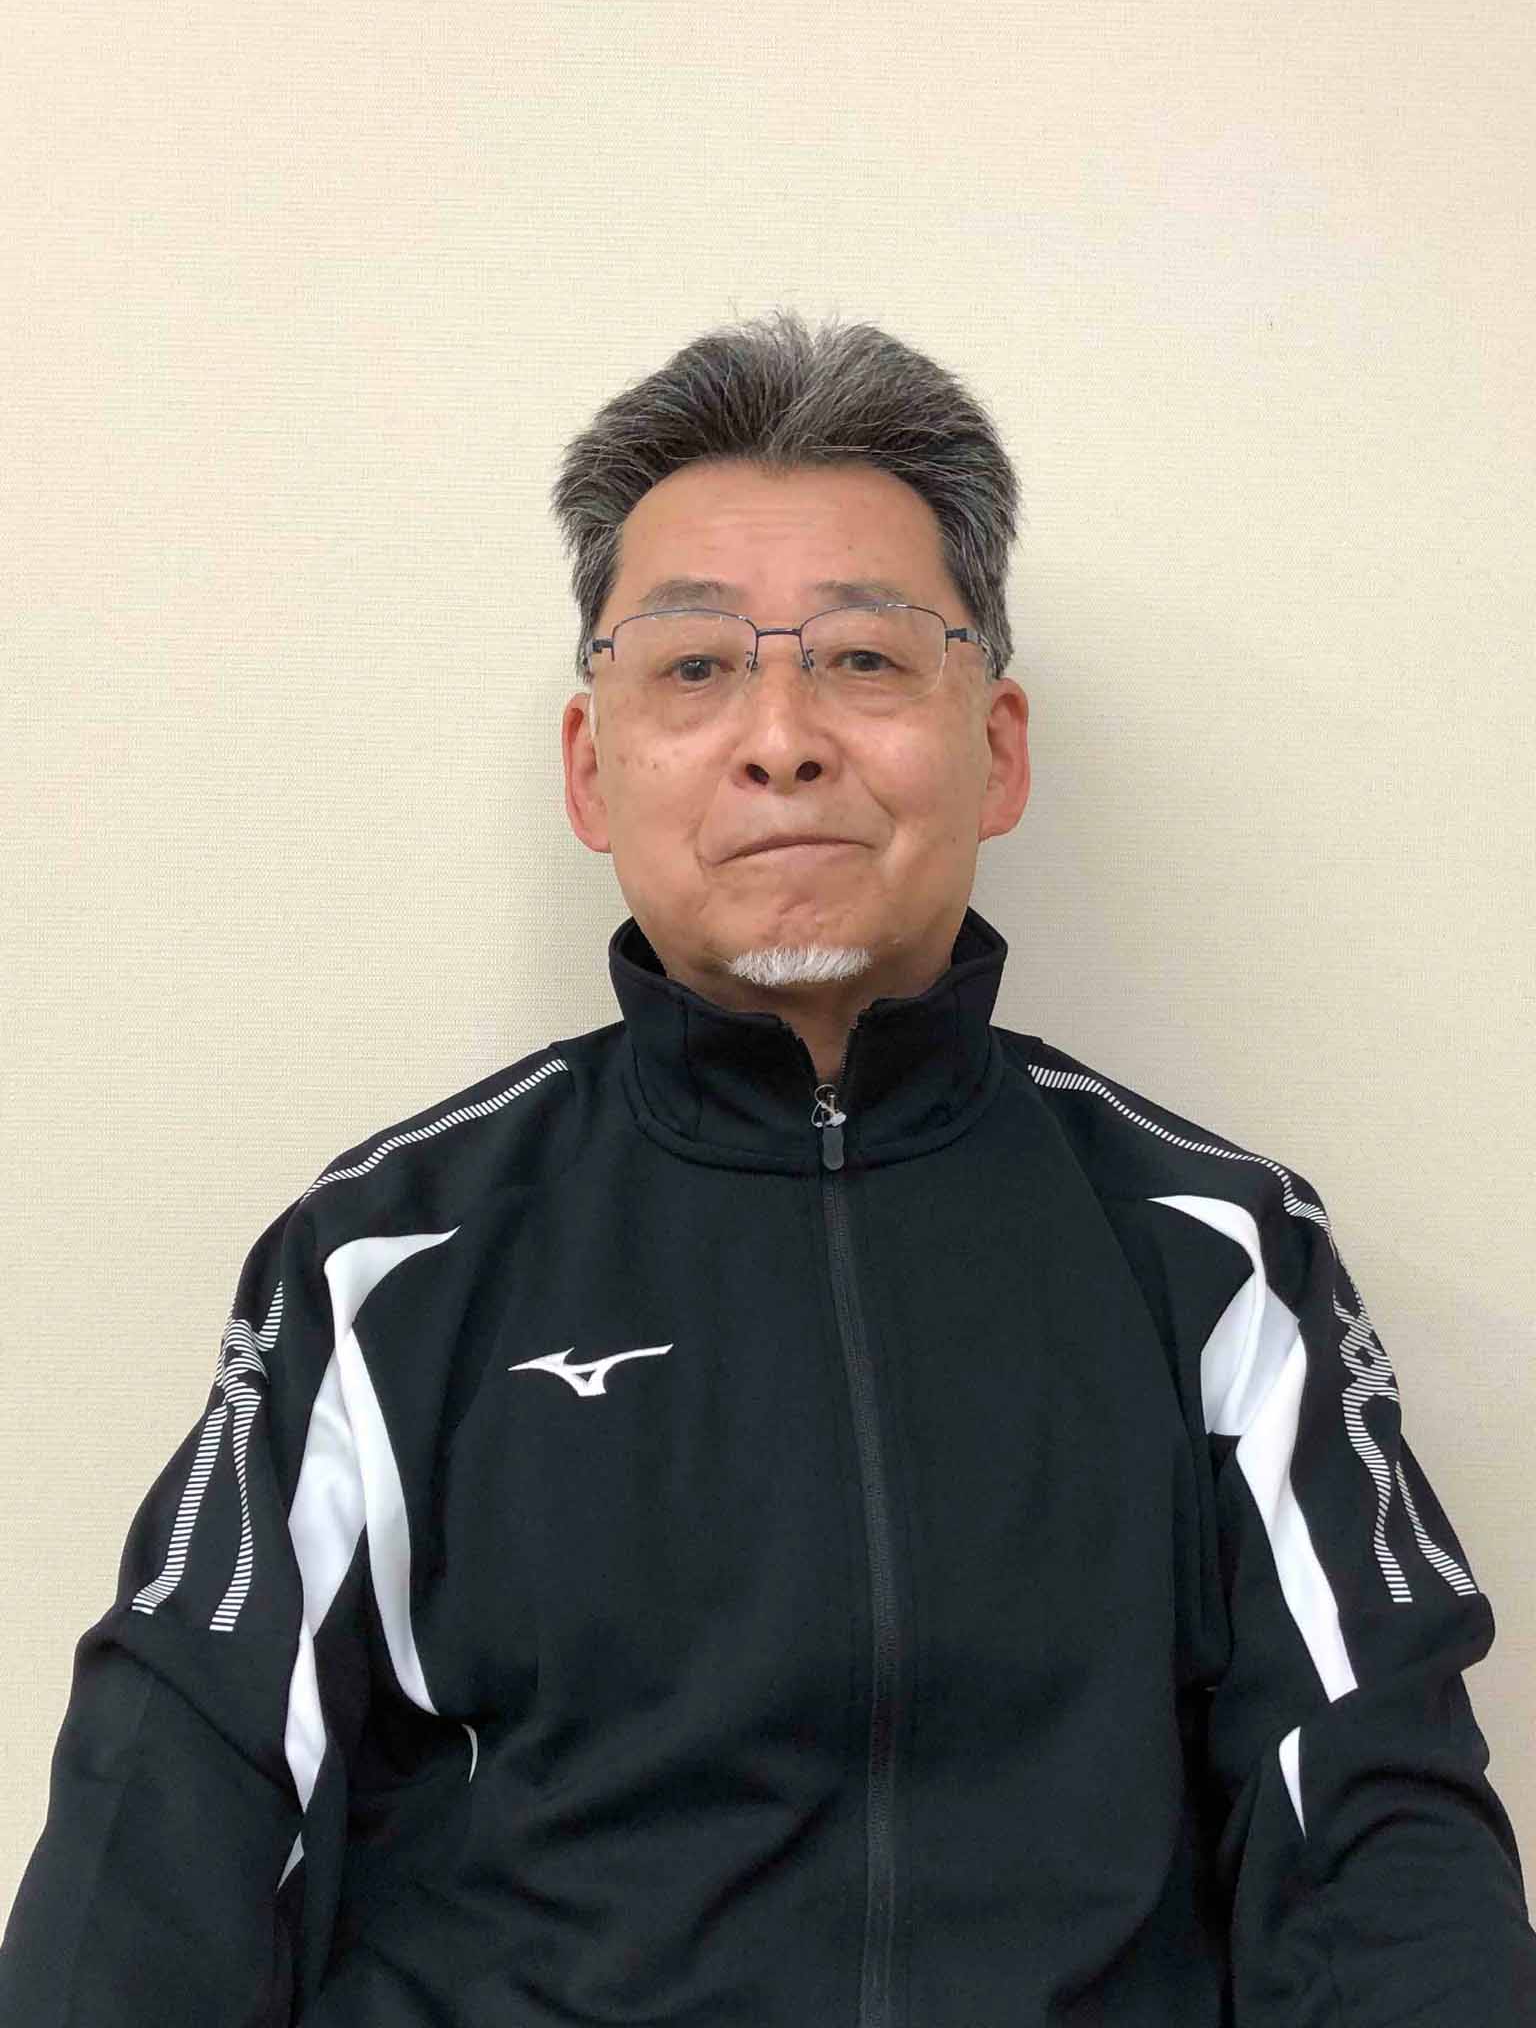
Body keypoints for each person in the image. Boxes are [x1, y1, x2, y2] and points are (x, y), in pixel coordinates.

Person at [2, 311, 1532, 2028]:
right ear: (593, 769)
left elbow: (1384, 1834)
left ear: (996, 748)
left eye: (866, 658)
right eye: (694, 666)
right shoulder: (382, 1263)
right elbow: (161, 1829)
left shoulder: (1218, 1258)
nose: (782, 736)